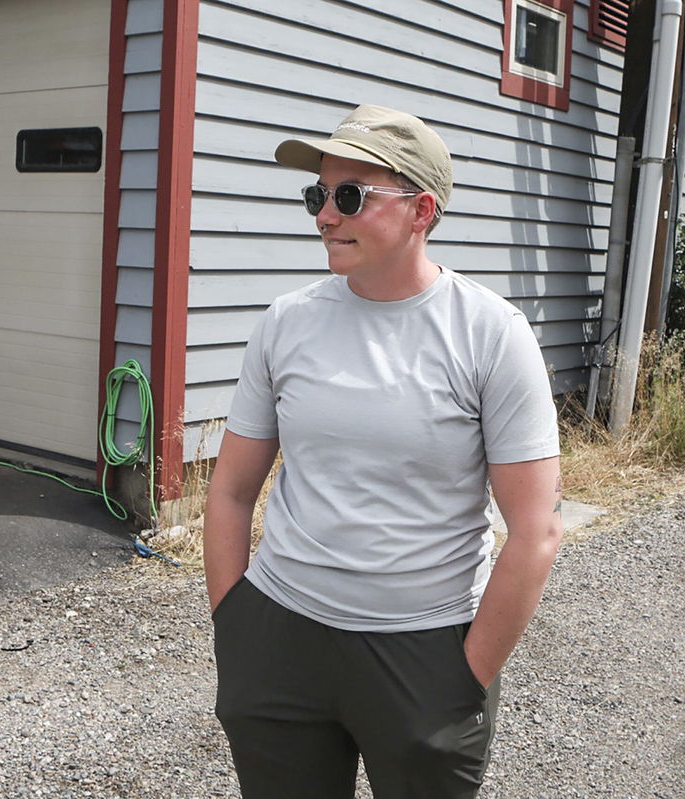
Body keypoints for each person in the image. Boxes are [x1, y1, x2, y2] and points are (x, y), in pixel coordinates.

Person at [203, 104, 563, 799]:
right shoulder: (287, 323)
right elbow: (231, 489)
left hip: (424, 647)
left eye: (349, 196)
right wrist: (236, 626)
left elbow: (537, 530)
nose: (324, 216)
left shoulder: (491, 334)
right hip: (280, 635)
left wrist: (464, 679)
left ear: (421, 210)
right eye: (317, 195)